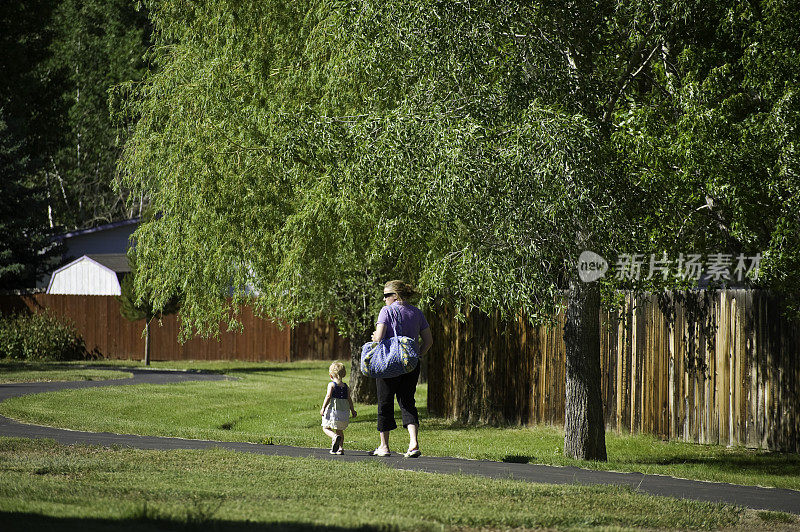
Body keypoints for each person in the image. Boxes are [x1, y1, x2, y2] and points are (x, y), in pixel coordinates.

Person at [369, 280, 433, 458]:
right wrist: (417, 354)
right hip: (411, 363)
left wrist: (374, 336)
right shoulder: (417, 312)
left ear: (395, 295)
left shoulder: (386, 311)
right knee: (407, 401)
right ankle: (413, 443)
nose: (384, 300)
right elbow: (429, 341)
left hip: (389, 363)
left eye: (386, 295)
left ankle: (384, 446)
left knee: (385, 402)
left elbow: (379, 337)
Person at [320, 361, 357, 454]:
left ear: (331, 376)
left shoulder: (331, 385)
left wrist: (323, 408)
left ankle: (334, 437)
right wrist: (353, 410)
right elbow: (349, 399)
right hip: (344, 412)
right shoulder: (346, 386)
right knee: (339, 430)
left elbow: (328, 396)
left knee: (325, 427)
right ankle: (340, 448)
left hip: (333, 411)